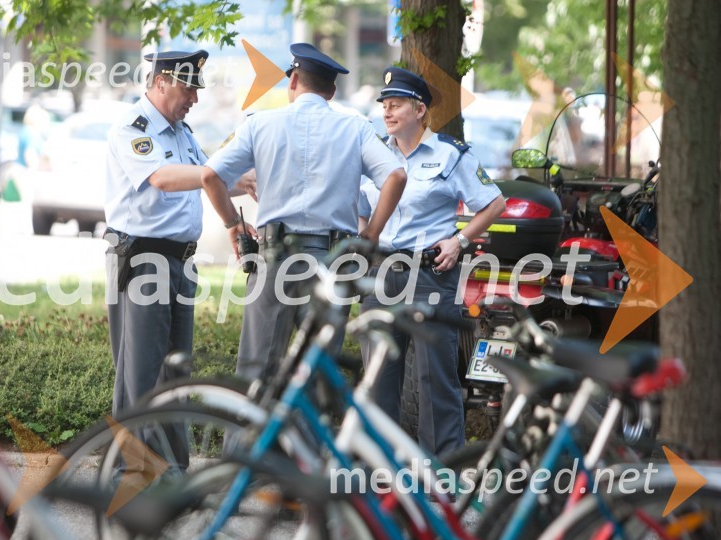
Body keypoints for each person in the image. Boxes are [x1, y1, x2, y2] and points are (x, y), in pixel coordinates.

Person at [200, 43, 408, 382]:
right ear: (332, 90)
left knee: (256, 373)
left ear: (293, 80)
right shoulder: (355, 129)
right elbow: (396, 176)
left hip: (273, 257)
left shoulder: (259, 124)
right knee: (318, 377)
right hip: (332, 261)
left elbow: (210, 176)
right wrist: (371, 234)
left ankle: (247, 437)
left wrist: (233, 224)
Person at [358, 67, 506, 457]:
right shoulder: (374, 154)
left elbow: (494, 203)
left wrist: (459, 241)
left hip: (430, 276)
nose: (387, 113)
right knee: (377, 379)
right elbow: (359, 207)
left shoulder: (449, 153)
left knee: (435, 380)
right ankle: (379, 476)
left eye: (396, 105)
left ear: (419, 109)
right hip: (380, 274)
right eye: (384, 106)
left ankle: (442, 477)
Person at [104, 49, 222, 472]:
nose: (194, 98)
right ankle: (131, 473)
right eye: (189, 88)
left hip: (180, 262)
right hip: (144, 258)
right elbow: (163, 178)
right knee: (142, 374)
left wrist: (242, 179)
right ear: (161, 82)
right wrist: (217, 176)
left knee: (175, 371)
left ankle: (173, 469)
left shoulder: (181, 133)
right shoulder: (134, 128)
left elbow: (207, 174)